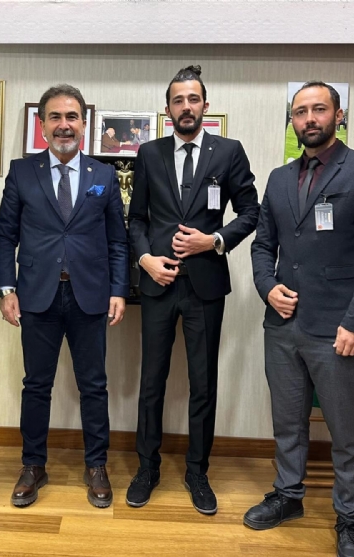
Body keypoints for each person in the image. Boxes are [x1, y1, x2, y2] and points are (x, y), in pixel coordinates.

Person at [245, 81, 354, 557]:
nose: (309, 118)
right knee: (287, 421)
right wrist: (268, 287)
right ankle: (288, 495)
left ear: (338, 115)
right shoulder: (278, 178)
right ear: (292, 121)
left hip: (339, 329)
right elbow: (262, 246)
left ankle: (350, 519)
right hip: (283, 324)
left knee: (347, 430)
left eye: (319, 109)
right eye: (300, 111)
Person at [127, 65, 259, 515]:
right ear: (168, 109)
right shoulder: (149, 153)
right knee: (152, 381)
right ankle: (147, 468)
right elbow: (136, 219)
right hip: (158, 283)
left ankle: (197, 472)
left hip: (205, 285)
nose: (186, 107)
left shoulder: (229, 152)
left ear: (206, 105)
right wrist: (145, 259)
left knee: (203, 383)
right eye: (178, 100)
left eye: (193, 99)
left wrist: (214, 240)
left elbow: (250, 212)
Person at [0, 84, 128, 510]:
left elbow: (118, 241)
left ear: (84, 125)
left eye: (72, 117)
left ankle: (96, 465)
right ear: (42, 125)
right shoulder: (21, 172)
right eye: (55, 117)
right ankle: (33, 465)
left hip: (90, 296)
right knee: (36, 385)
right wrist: (6, 288)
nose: (64, 125)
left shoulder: (104, 175)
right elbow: (5, 237)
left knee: (94, 386)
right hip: (37, 296)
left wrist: (118, 290)